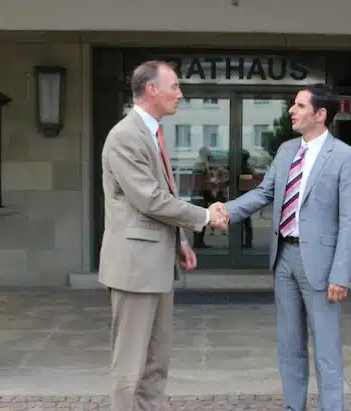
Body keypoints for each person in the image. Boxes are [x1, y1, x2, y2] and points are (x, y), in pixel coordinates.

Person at [214, 84, 351, 411]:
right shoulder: (286, 151)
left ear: (320, 114)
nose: (291, 111)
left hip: (323, 267)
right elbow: (264, 193)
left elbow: (350, 221)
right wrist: (226, 210)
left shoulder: (345, 158)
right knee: (289, 346)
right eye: (292, 105)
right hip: (283, 258)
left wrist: (341, 274)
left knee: (326, 349)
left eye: (299, 106)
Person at [98, 60, 228, 411]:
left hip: (156, 265)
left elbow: (160, 198)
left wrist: (180, 244)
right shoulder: (125, 136)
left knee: (156, 363)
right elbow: (150, 199)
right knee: (130, 369)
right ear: (151, 89)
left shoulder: (152, 133)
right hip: (134, 269)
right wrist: (204, 216)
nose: (180, 94)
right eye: (175, 87)